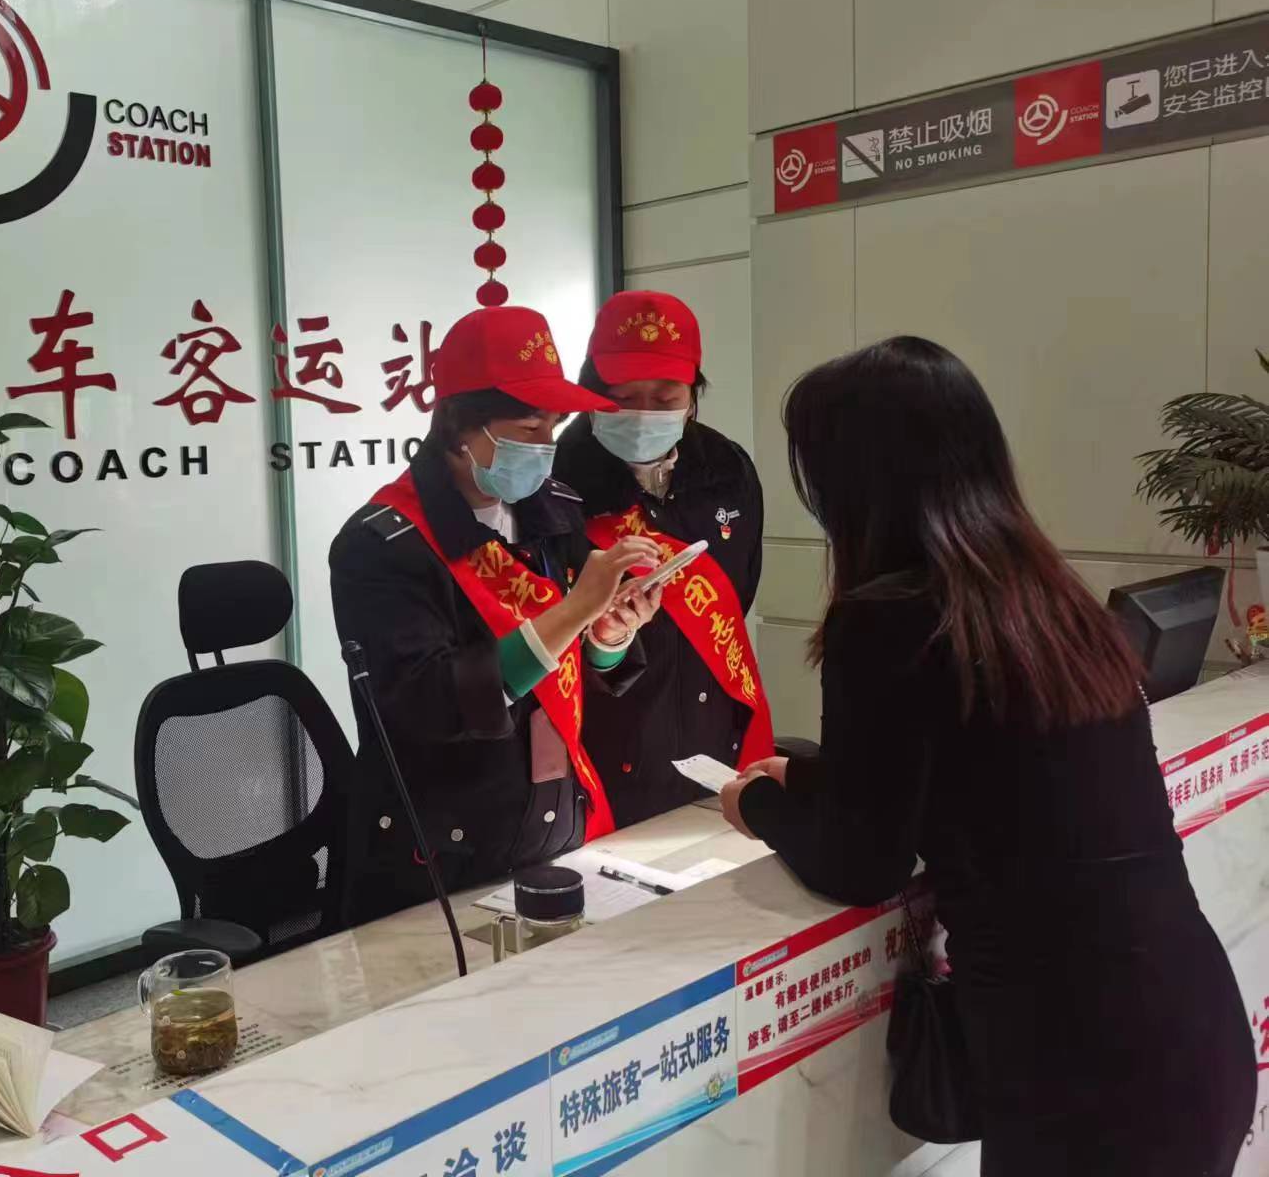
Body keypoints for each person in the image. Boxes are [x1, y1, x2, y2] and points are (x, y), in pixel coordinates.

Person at [718, 336, 1255, 1176]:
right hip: (1192, 1030)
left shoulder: (885, 616)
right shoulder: (1043, 595)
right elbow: (977, 773)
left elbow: (863, 862)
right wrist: (811, 777)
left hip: (1081, 1072)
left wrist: (753, 805)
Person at [331, 305, 664, 924]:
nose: (545, 449)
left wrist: (610, 634)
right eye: (528, 428)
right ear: (461, 427)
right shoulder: (382, 544)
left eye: (554, 428)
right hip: (442, 851)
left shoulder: (551, 509)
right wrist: (577, 608)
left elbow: (581, 663)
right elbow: (429, 701)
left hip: (555, 825)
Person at [553, 290, 770, 828]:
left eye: (665, 396)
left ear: (693, 396)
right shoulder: (554, 480)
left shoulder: (727, 467)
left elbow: (739, 590)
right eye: (624, 396)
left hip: (714, 743)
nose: (644, 413)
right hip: (599, 754)